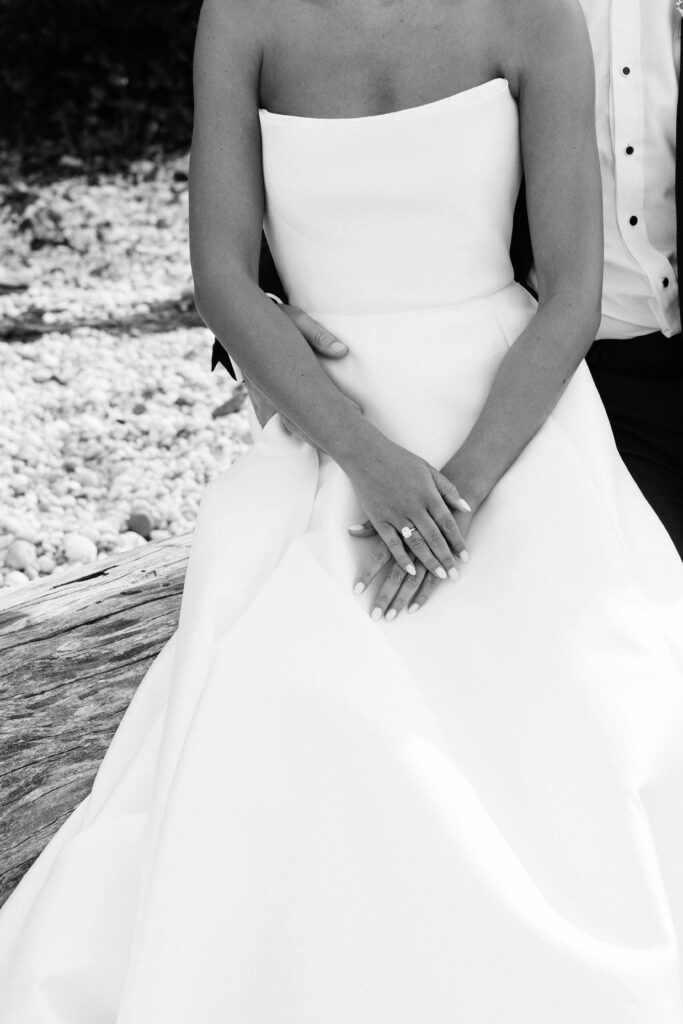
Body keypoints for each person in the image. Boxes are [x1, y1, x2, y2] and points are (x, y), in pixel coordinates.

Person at [1, 0, 683, 1021]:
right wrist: (368, 461)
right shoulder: (239, 18)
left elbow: (570, 294)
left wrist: (456, 489)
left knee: (587, 709)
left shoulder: (534, 15)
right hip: (332, 423)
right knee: (279, 706)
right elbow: (224, 279)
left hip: (507, 420)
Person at [220, 0, 683, 562]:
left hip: (569, 368)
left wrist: (445, 505)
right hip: (524, 381)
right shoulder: (244, 18)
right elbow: (231, 263)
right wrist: (263, 319)